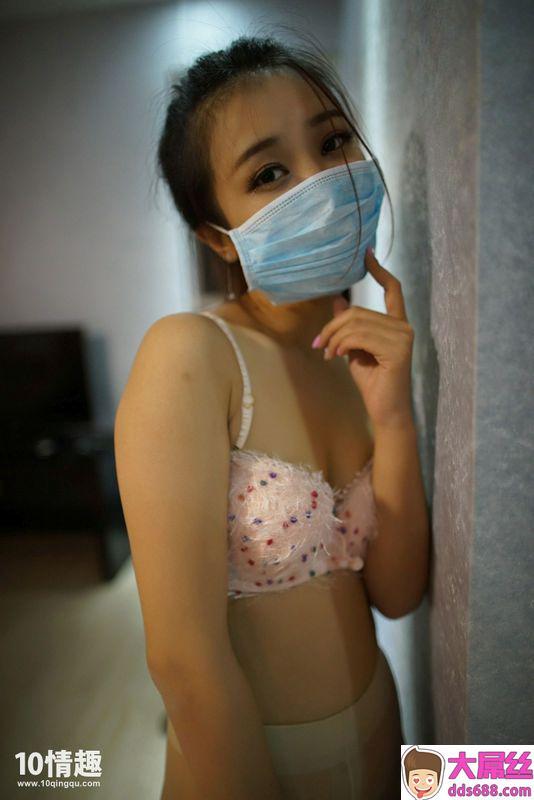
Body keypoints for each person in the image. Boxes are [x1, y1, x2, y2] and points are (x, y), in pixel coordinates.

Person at [114, 30, 430, 800]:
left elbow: (397, 595)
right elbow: (182, 662)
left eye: (332, 141)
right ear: (217, 237)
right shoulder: (192, 355)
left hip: (385, 739)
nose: (320, 180)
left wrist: (393, 416)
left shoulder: (359, 356)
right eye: (269, 172)